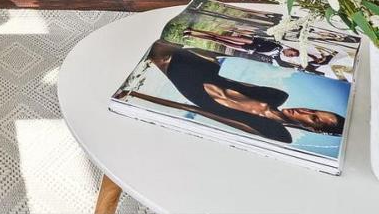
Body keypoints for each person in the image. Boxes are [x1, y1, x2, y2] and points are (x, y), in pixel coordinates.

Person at [135, 41, 345, 143]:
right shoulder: (277, 95)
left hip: (192, 90)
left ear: (315, 129)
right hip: (205, 71)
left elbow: (202, 113)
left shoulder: (278, 134)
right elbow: (228, 77)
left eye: (314, 118)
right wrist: (208, 54)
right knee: (155, 46)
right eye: (313, 109)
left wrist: (138, 96)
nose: (304, 111)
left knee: (153, 55)